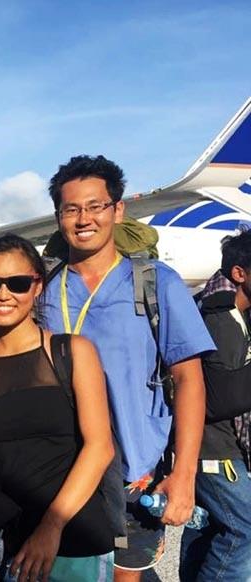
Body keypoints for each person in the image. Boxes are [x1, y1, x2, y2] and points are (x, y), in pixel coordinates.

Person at [42, 155, 215, 581]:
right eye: (71, 209)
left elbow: (189, 377)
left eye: (96, 206)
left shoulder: (154, 283)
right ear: (59, 216)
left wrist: (184, 474)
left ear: (118, 210)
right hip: (62, 475)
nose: (84, 219)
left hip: (133, 479)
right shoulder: (43, 289)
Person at [0, 234, 116, 582]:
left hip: (75, 538)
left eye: (18, 283)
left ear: (37, 287)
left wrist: (51, 527)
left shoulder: (74, 352)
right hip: (6, 544)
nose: (3, 294)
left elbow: (100, 448)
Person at [180, 231, 251, 581]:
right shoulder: (220, 319)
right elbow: (223, 398)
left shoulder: (226, 310)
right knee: (245, 530)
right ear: (240, 274)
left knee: (208, 527)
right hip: (215, 449)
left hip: (215, 447)